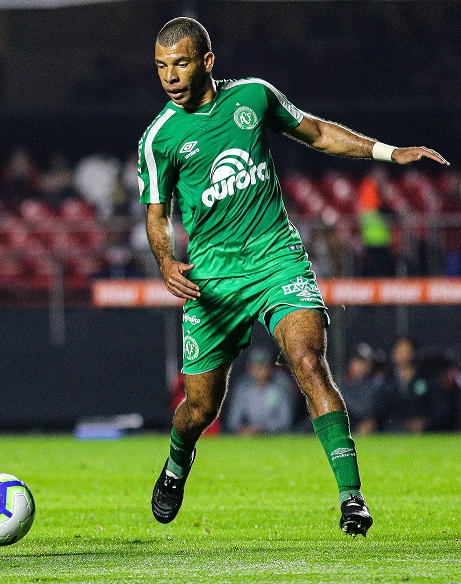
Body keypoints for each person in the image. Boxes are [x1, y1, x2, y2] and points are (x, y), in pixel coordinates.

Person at [140, 17, 449, 537]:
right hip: (212, 283)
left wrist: (388, 152)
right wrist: (166, 262)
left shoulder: (253, 99)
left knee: (308, 361)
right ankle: (176, 463)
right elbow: (156, 214)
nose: (170, 75)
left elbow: (318, 132)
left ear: (207, 62)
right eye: (161, 66)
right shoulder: (160, 139)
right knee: (199, 407)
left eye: (181, 62)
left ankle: (352, 499)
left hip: (276, 260)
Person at [224, 348, 294, 436]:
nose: (259, 369)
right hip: (248, 438)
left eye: (263, 365)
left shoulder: (280, 387)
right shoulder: (243, 389)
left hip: (274, 437)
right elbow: (233, 420)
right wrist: (245, 429)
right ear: (250, 367)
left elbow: (286, 420)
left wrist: (263, 428)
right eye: (256, 365)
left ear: (270, 367)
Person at [376, 337, 433, 433]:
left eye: (405, 351)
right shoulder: (385, 379)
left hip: (421, 432)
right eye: (398, 350)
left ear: (412, 353)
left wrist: (425, 421)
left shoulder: (425, 378)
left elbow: (436, 406)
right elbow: (380, 408)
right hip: (391, 430)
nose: (400, 354)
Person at [340, 342, 385, 435]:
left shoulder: (377, 385)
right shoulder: (342, 386)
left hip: (371, 431)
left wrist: (372, 419)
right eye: (357, 361)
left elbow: (368, 411)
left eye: (363, 362)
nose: (359, 365)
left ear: (370, 365)